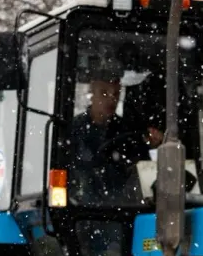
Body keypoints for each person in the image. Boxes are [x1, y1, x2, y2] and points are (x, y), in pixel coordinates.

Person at [68, 70, 163, 206]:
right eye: (104, 93)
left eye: (116, 93)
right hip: (83, 209)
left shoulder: (127, 130)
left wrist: (153, 145)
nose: (111, 99)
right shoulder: (74, 130)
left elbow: (141, 169)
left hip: (123, 209)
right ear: (92, 95)